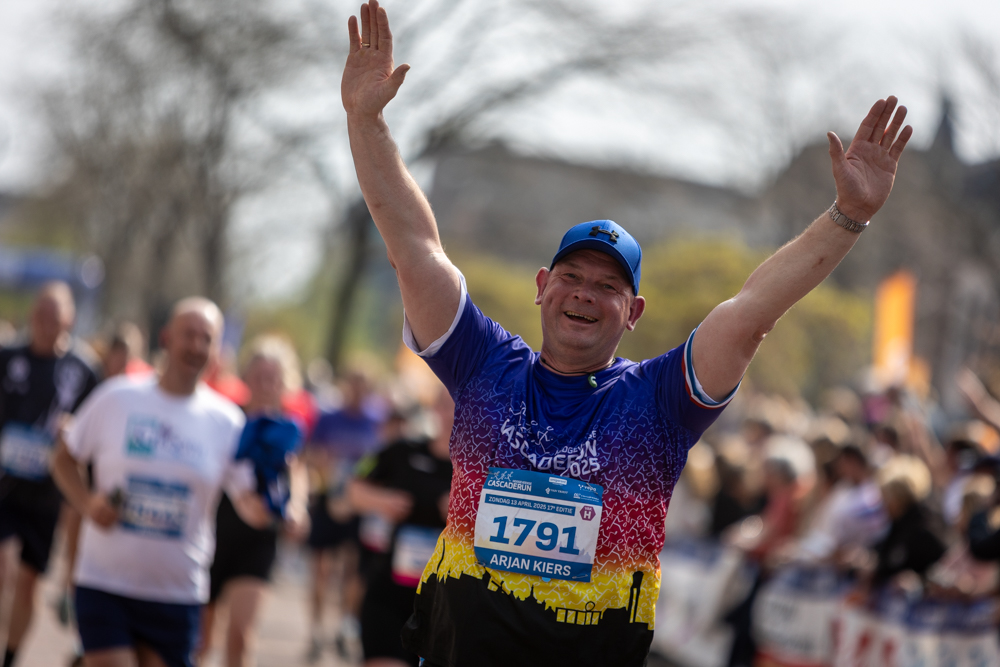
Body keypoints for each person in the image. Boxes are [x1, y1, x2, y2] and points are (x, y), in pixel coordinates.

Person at [341, 2, 913, 663]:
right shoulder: (483, 364)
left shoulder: (659, 400)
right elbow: (414, 246)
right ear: (541, 285)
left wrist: (847, 215)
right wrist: (366, 120)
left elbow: (752, 311)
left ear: (633, 311)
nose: (585, 292)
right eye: (572, 275)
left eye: (608, 285)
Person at [50, 297, 270, 667]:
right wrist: (88, 504)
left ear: (217, 350)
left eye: (207, 338)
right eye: (189, 335)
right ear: (167, 337)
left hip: (177, 593)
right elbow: (63, 459)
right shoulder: (118, 397)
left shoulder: (227, 422)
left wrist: (276, 506)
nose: (197, 346)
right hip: (106, 584)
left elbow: (251, 503)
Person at [0, 281, 100, 667]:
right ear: (31, 316)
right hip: (5, 486)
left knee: (27, 586)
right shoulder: (8, 357)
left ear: (69, 321)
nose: (46, 324)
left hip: (47, 495)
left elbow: (95, 429)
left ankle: (11, 657)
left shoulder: (83, 369)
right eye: (41, 315)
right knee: (3, 566)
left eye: (55, 318)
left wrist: (73, 428)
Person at [197, 335, 310, 667]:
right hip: (215, 531)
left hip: (259, 537)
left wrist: (297, 507)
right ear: (246, 377)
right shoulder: (227, 420)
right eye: (259, 376)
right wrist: (241, 495)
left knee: (241, 637)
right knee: (201, 641)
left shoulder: (290, 429)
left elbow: (297, 470)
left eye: (273, 378)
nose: (266, 384)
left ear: (286, 383)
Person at [349, 389, 454, 667]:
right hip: (390, 594)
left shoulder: (482, 469)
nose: (453, 413)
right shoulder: (402, 450)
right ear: (434, 409)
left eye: (461, 406)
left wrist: (464, 516)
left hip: (447, 606)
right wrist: (382, 501)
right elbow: (354, 489)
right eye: (446, 404)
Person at [304, 369, 385, 662]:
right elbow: (310, 454)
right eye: (353, 384)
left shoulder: (377, 420)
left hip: (359, 504)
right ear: (346, 386)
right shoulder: (328, 418)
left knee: (354, 570)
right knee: (321, 568)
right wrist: (324, 466)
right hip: (329, 500)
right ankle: (315, 629)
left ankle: (344, 626)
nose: (357, 391)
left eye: (363, 386)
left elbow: (381, 460)